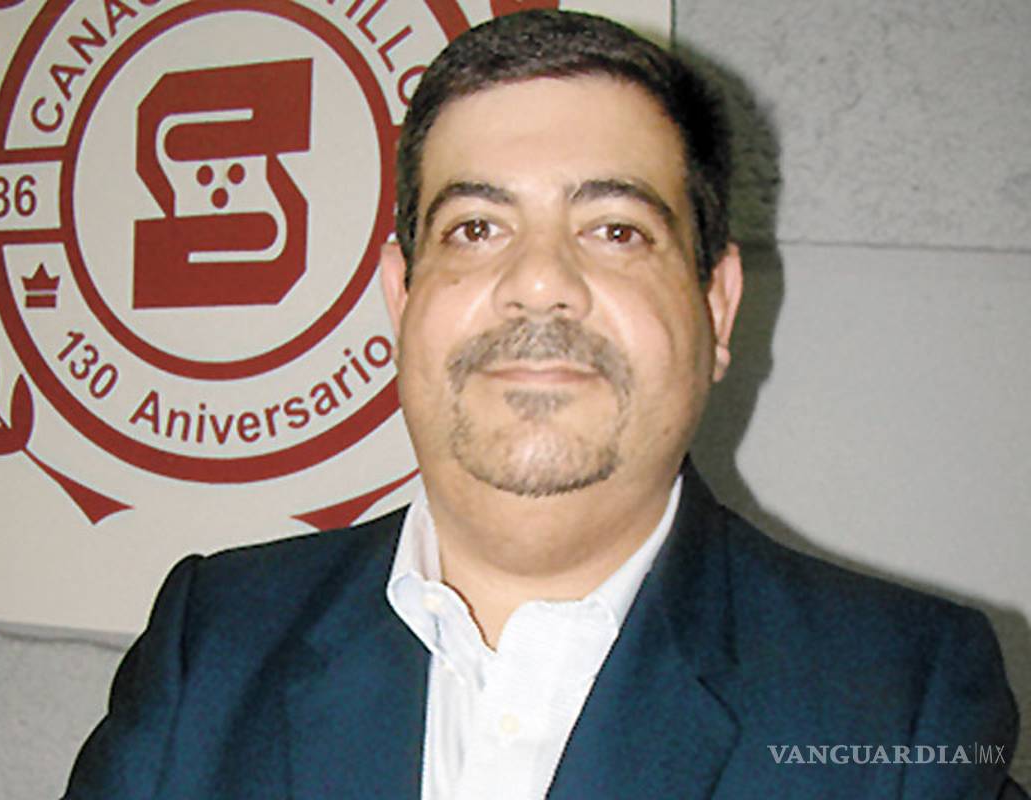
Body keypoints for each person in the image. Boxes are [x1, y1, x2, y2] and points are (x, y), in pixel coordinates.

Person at [64, 10, 1023, 799]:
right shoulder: (212, 642)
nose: (539, 283)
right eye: (476, 228)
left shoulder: (900, 701)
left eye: (616, 229)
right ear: (402, 298)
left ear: (717, 307)